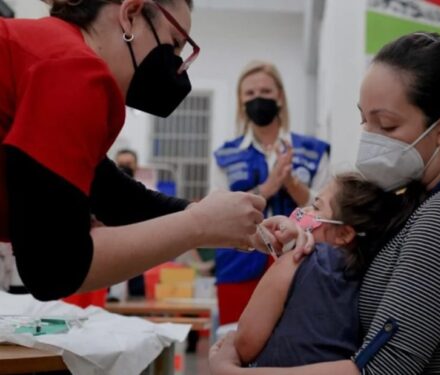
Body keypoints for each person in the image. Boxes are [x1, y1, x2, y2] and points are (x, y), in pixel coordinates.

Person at [210, 31, 440, 375]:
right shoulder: (423, 197)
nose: (370, 139)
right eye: (365, 121)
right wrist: (308, 233)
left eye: (386, 125)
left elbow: (382, 370)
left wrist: (236, 373)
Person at [0, 0, 267, 301]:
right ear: (130, 15)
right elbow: (53, 267)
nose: (177, 67)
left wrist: (228, 222)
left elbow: (113, 196)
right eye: (175, 44)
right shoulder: (74, 69)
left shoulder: (49, 51)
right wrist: (200, 225)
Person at [234, 173, 422, 367]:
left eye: (316, 207)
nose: (303, 210)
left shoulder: (295, 261)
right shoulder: (373, 275)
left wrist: (223, 353)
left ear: (344, 233)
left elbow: (245, 345)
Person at [213, 61, 331, 325]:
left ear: (280, 96)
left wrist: (291, 182)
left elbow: (326, 209)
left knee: (295, 343)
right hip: (239, 262)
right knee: (236, 342)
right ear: (240, 101)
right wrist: (267, 188)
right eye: (250, 94)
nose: (258, 99)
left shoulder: (313, 151)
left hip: (302, 260)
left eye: (265, 92)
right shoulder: (225, 155)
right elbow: (217, 211)